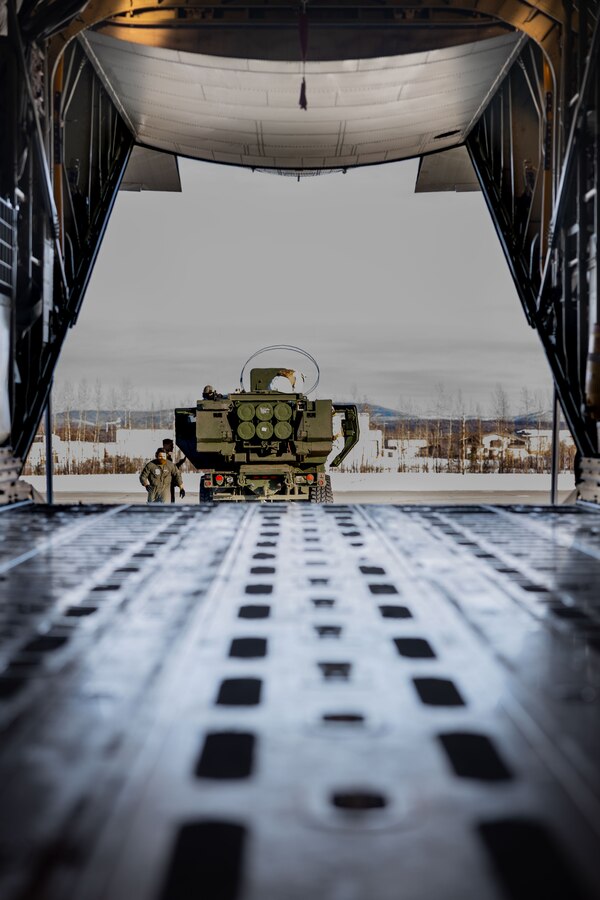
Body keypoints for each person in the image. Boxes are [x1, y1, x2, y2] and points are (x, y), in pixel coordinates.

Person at [162, 438, 187, 503]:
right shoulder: (162, 456)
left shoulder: (167, 456)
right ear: (165, 445)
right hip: (165, 485)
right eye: (171, 445)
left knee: (170, 501)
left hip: (169, 483)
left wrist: (179, 463)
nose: (173, 447)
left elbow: (171, 468)